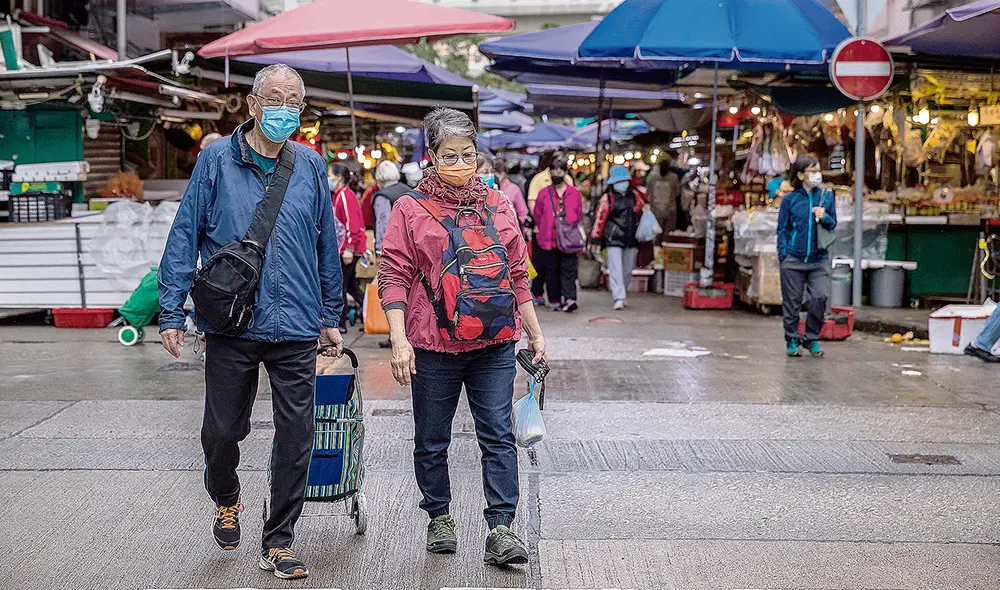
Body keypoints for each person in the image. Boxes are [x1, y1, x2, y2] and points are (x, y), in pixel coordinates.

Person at [158, 63, 343, 581]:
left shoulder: (308, 165)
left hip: (296, 322)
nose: (285, 109)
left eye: (295, 102)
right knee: (220, 432)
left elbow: (326, 242)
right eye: (276, 98)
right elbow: (184, 234)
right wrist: (172, 309)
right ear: (254, 104)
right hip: (232, 325)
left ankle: (279, 540)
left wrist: (332, 312)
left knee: (297, 436)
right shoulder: (216, 159)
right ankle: (226, 493)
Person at [377, 107, 547, 567]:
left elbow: (517, 272)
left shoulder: (498, 205)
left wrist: (534, 330)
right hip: (433, 346)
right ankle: (439, 516)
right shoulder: (409, 210)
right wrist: (398, 338)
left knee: (497, 435)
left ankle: (501, 528)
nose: (459, 163)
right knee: (432, 439)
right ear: (430, 156)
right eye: (449, 155)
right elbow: (392, 273)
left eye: (467, 154)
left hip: (494, 342)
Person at [777, 155, 837, 358]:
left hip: (818, 259)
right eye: (812, 170)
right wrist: (784, 255)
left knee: (819, 297)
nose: (817, 174)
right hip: (793, 260)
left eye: (818, 169)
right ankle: (792, 339)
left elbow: (833, 223)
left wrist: (825, 216)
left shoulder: (827, 197)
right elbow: (782, 229)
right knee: (792, 302)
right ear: (801, 174)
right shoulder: (790, 200)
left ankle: (811, 338)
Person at [591, 165, 646, 311]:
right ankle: (619, 297)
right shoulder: (607, 198)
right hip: (612, 238)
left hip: (631, 238)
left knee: (627, 270)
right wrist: (596, 237)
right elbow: (600, 219)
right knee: (616, 269)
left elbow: (643, 209)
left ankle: (622, 293)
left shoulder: (635, 196)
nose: (622, 183)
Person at [533, 157, 583, 312]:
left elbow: (578, 213)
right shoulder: (543, 193)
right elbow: (537, 214)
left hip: (568, 240)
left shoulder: (574, 193)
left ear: (565, 173)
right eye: (554, 171)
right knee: (551, 271)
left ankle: (569, 299)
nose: (557, 173)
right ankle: (554, 300)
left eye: (560, 171)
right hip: (548, 239)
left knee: (568, 270)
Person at [329, 162, 368, 333]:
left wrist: (349, 249)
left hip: (348, 249)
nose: (327, 179)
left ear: (338, 178)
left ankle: (341, 323)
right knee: (351, 286)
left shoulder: (345, 196)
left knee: (341, 285)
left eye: (329, 176)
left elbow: (352, 224)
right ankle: (371, 313)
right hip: (345, 248)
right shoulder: (338, 195)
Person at [372, 161, 410, 254]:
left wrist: (379, 250)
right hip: (411, 245)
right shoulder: (408, 190)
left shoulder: (383, 196)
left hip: (394, 249)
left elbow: (383, 225)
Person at [494, 157, 529, 230]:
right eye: (495, 172)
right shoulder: (487, 187)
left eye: (500, 173)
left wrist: (524, 228)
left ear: (506, 173)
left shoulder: (514, 189)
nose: (497, 176)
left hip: (510, 228)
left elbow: (522, 211)